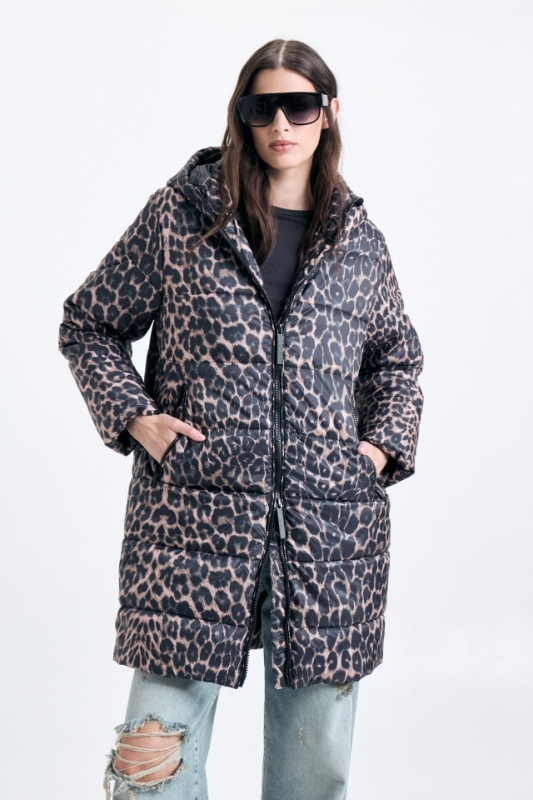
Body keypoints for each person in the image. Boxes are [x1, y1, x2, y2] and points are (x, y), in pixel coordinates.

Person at [58, 38, 423, 800]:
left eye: (299, 106)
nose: (281, 124)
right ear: (242, 115)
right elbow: (88, 322)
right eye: (263, 108)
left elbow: (396, 360)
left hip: (328, 538)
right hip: (190, 531)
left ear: (329, 113)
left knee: (312, 775)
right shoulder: (182, 216)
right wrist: (136, 418)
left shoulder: (358, 242)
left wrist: (378, 452)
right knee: (149, 768)